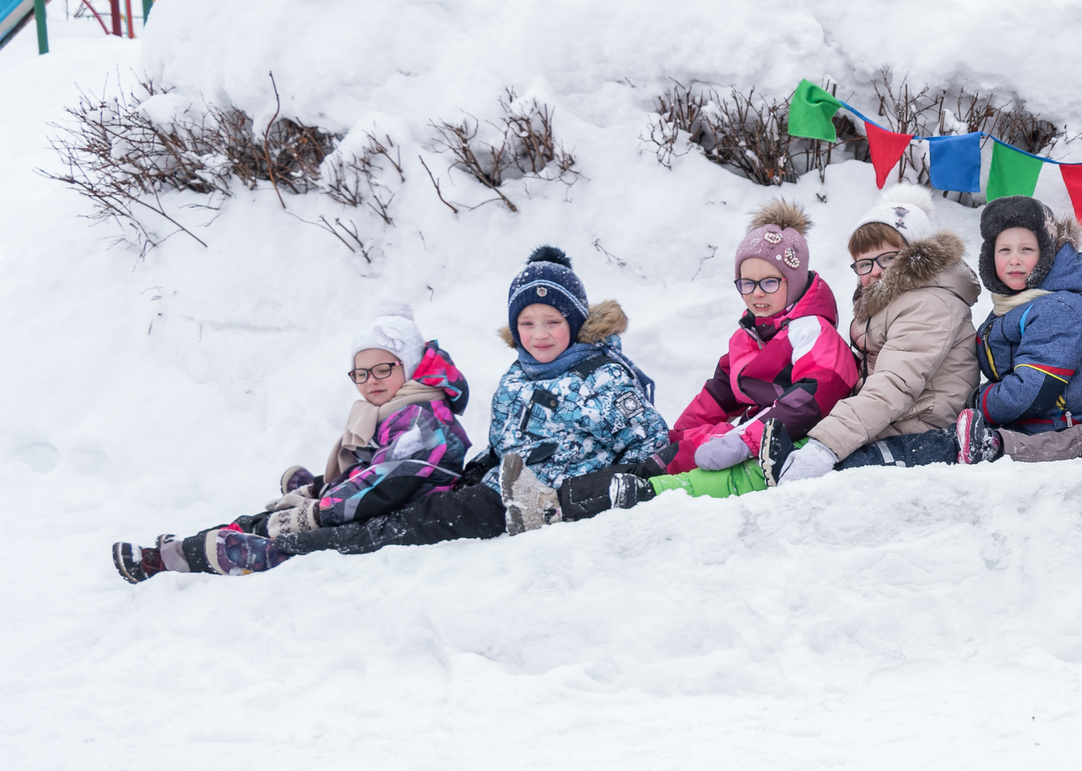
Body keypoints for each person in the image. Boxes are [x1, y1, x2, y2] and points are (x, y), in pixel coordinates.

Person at [112, 302, 475, 580]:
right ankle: (182, 547)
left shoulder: (422, 419)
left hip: (394, 513)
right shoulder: (396, 410)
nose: (371, 381)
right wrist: (318, 491)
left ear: (409, 365)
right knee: (265, 518)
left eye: (384, 369)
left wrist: (319, 504)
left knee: (275, 529)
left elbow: (385, 484)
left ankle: (174, 559)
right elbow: (372, 469)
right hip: (370, 504)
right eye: (361, 373)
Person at [846, 195, 1082, 466]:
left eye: (1026, 249)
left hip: (1064, 424)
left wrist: (977, 401)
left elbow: (1034, 390)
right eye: (1004, 250)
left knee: (953, 448)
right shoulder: (1013, 305)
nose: (1014, 260)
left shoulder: (1060, 308)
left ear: (1047, 253)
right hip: (1028, 418)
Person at [653, 199, 861, 497]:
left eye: (769, 283)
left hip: (788, 441)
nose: (756, 294)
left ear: (794, 281)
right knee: (663, 456)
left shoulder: (813, 331)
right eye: (746, 284)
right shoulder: (750, 334)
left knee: (670, 468)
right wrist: (673, 438)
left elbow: (810, 402)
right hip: (751, 433)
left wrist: (744, 441)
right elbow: (718, 396)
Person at [778, 185, 984, 476]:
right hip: (889, 419)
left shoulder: (929, 304)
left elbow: (893, 385)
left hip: (921, 431)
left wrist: (826, 445)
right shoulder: (890, 303)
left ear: (918, 257)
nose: (875, 271)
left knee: (829, 471)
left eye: (888, 258)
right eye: (864, 263)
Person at [481, 245, 674, 532]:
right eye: (527, 324)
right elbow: (503, 442)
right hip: (508, 492)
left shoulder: (600, 379)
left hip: (563, 499)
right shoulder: (516, 376)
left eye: (553, 322)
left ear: (573, 323)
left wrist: (590, 494)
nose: (539, 335)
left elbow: (650, 442)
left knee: (452, 513)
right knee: (447, 503)